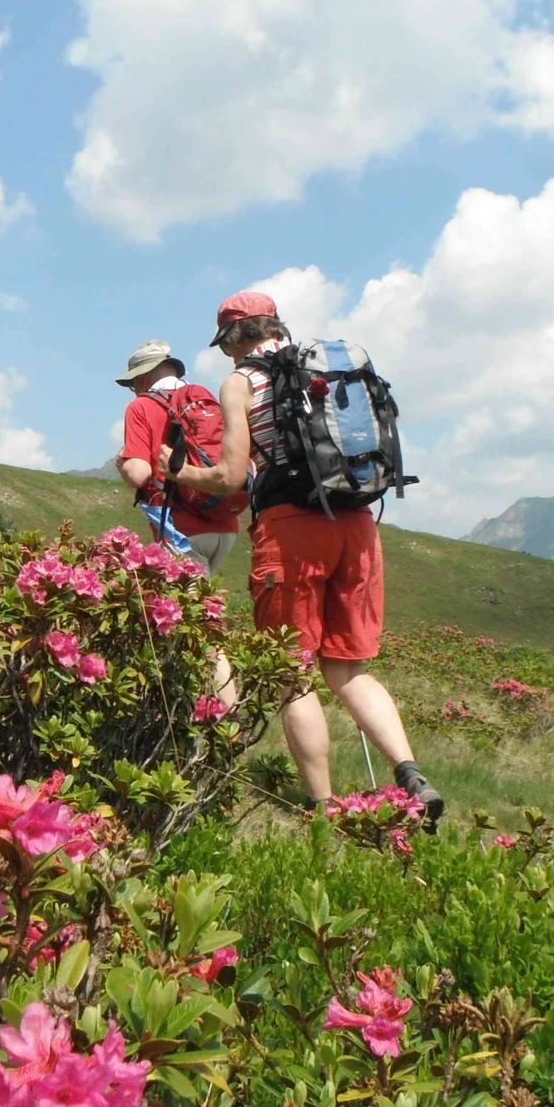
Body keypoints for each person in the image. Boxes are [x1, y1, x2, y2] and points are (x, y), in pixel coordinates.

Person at [169, 291, 444, 822]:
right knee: (349, 669)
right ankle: (410, 770)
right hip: (358, 524)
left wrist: (176, 470)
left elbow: (229, 476)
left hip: (291, 529)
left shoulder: (241, 382)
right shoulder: (329, 370)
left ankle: (322, 805)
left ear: (233, 337)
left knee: (291, 675)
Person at [115, 339, 244, 574]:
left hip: (182, 529)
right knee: (205, 602)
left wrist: (122, 462)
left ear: (142, 378)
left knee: (185, 608)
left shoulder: (141, 406)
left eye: (133, 384)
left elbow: (138, 474)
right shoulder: (203, 399)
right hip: (226, 525)